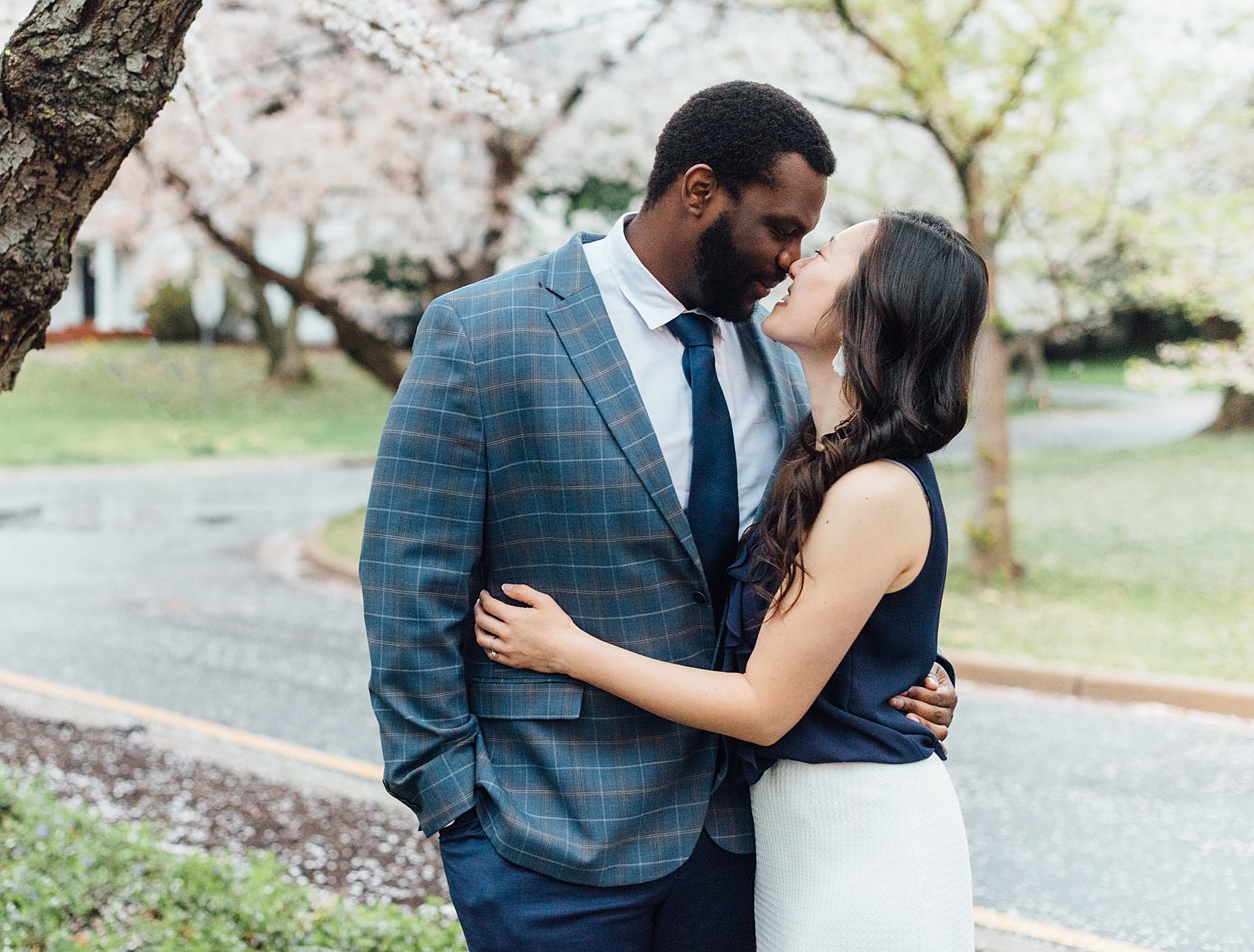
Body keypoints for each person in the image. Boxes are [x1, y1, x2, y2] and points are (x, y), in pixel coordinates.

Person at [360, 82, 958, 952]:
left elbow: (826, 560)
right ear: (701, 191)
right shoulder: (483, 334)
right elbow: (407, 588)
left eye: (808, 239)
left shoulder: (791, 353)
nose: (793, 259)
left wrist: (907, 670)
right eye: (781, 227)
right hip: (544, 841)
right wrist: (457, 809)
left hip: (743, 840)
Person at [474, 210, 989, 950]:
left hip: (862, 848)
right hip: (798, 842)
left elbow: (761, 706)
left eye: (826, 255)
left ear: (869, 308)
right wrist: (910, 664)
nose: (795, 264)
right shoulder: (819, 452)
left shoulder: (873, 489)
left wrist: (565, 648)